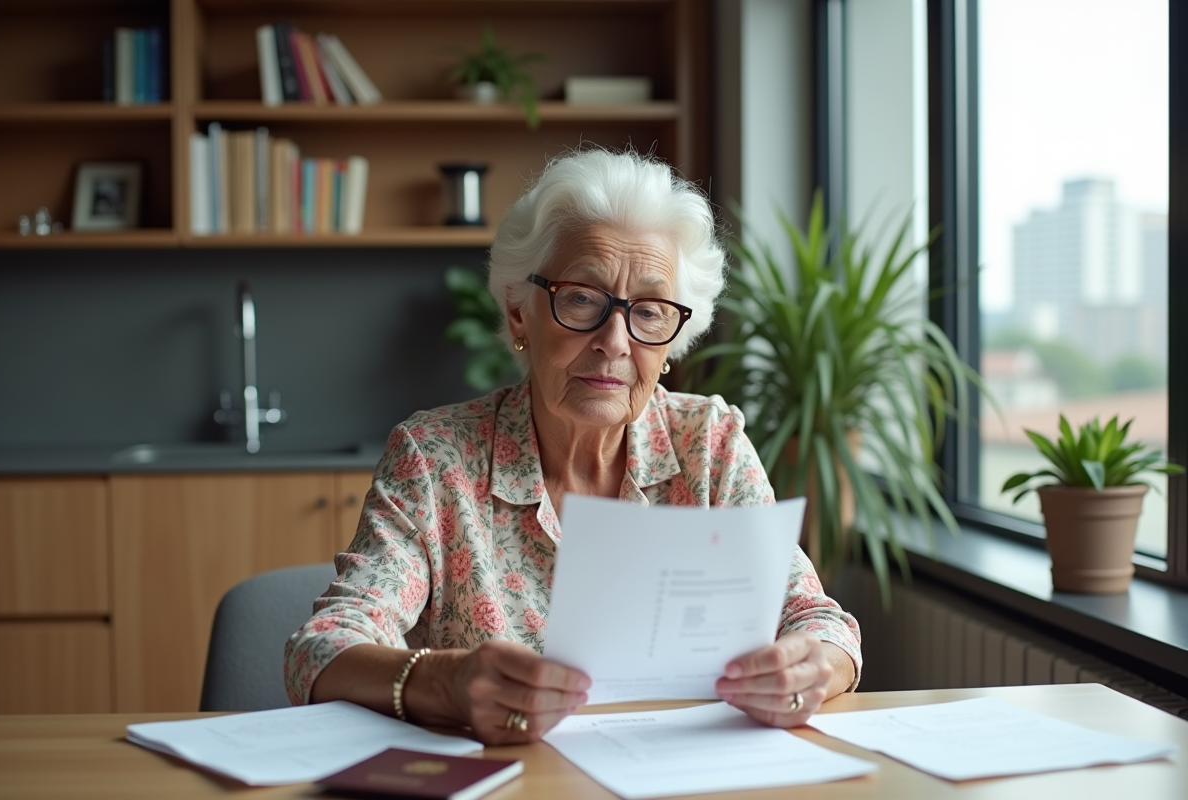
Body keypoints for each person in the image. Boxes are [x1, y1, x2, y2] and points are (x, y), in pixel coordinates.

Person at [285, 149, 862, 744]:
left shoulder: (709, 446)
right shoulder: (436, 460)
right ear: (519, 312)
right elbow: (322, 645)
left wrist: (812, 666)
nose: (615, 342)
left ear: (674, 338)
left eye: (650, 311)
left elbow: (819, 621)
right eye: (582, 298)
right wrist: (440, 681)